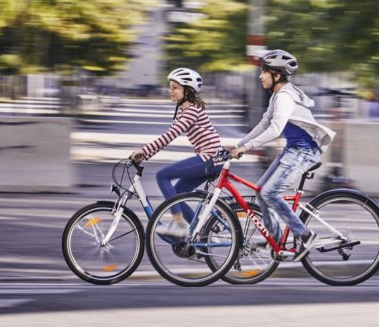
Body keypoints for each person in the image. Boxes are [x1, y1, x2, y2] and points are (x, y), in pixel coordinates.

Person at [230, 49, 336, 262]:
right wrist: (238, 146)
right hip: (293, 150)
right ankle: (276, 240)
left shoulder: (285, 97)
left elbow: (275, 129)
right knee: (261, 191)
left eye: (264, 72)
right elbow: (263, 124)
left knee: (270, 193)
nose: (260, 76)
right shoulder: (278, 95)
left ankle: (305, 235)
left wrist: (247, 147)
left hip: (304, 152)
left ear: (276, 75)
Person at [130, 68, 223, 238]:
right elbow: (170, 133)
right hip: (209, 158)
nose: (170, 91)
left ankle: (180, 224)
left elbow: (169, 136)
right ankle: (200, 233)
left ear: (187, 91)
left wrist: (144, 151)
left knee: (162, 176)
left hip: (210, 159)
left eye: (175, 88)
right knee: (176, 194)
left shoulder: (191, 111)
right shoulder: (184, 110)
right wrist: (146, 153)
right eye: (170, 87)